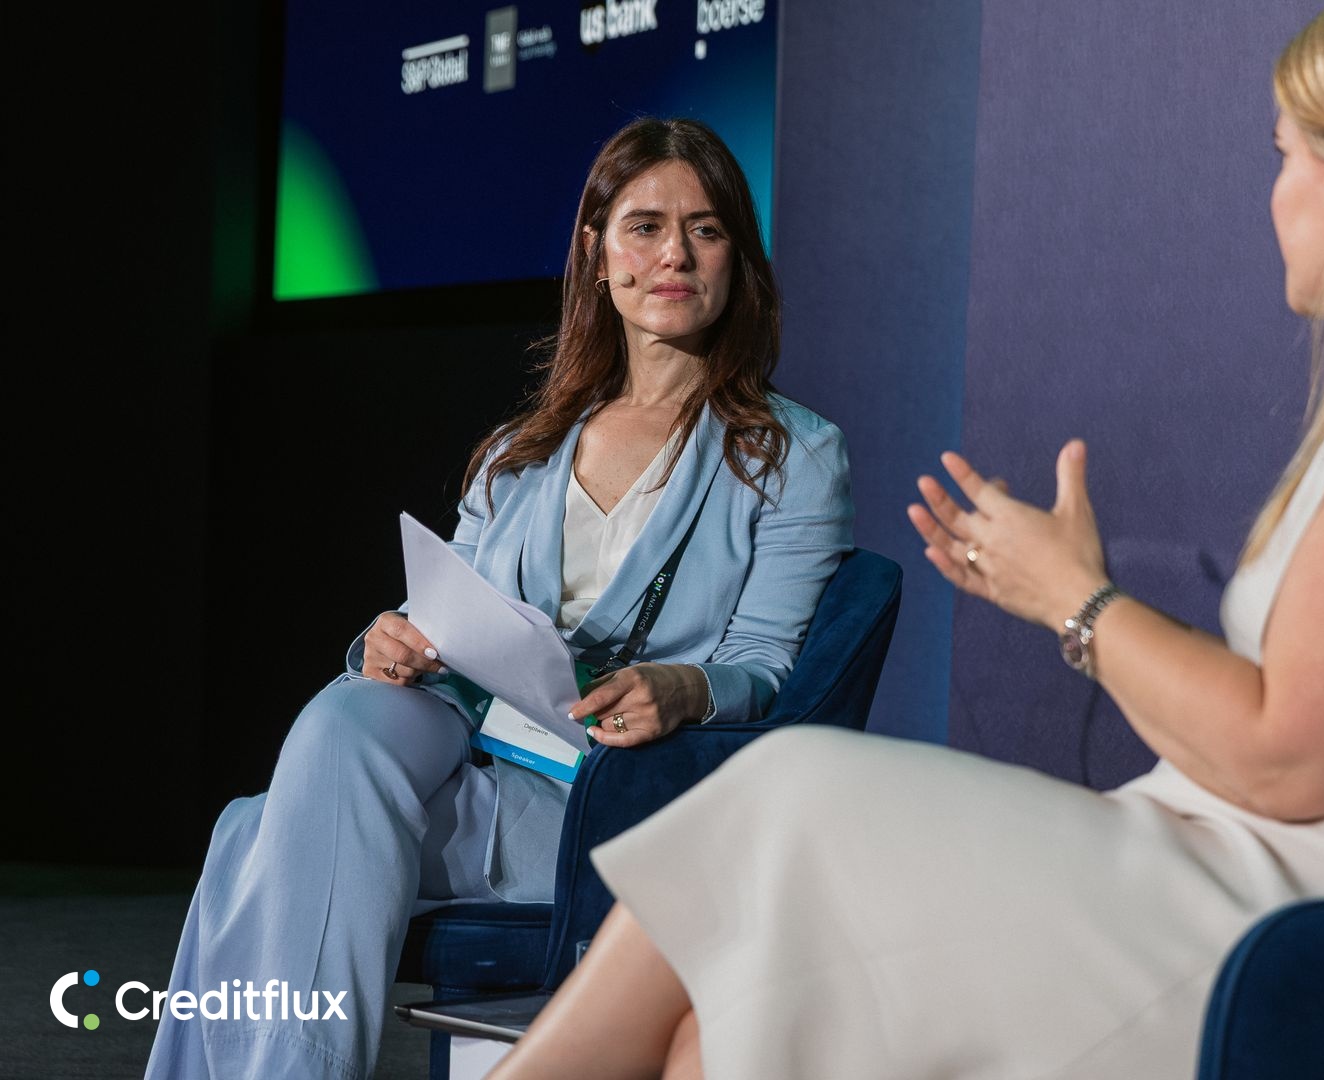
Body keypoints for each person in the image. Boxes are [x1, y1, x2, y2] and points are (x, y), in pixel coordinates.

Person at [490, 0, 1324, 1076]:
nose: (1276, 194)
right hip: (1256, 875)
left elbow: (1288, 761)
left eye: (1293, 154)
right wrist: (1073, 600)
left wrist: (1079, 605)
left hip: (1321, 935)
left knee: (782, 795)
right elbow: (1294, 740)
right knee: (728, 1025)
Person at [145, 117, 853, 1079]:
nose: (674, 256)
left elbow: (770, 667)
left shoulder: (792, 453)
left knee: (255, 835)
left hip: (623, 795)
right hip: (479, 753)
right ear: (597, 253)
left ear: (739, 259)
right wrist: (392, 643)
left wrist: (685, 687)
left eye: (706, 229)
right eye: (645, 227)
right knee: (348, 716)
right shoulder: (521, 453)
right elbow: (451, 626)